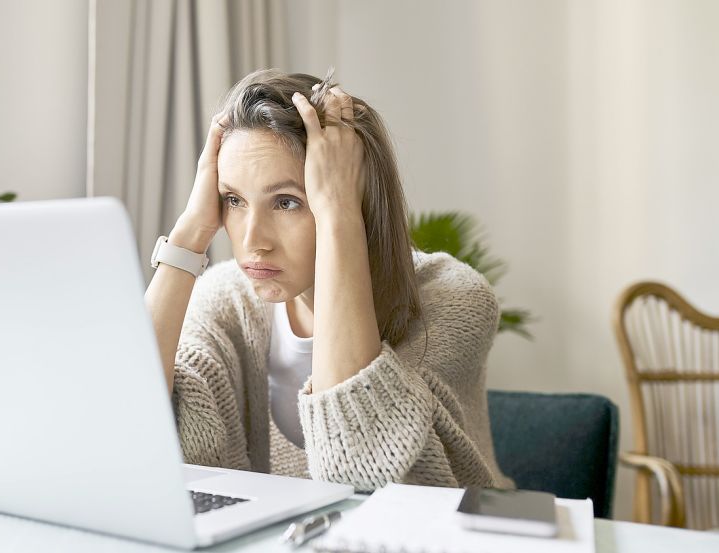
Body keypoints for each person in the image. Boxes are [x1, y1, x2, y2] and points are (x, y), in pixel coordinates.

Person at [144, 68, 512, 490]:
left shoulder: (454, 299)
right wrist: (189, 234)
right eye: (234, 200)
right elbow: (127, 430)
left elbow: (362, 474)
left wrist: (339, 213)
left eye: (287, 202)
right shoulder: (225, 300)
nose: (252, 241)